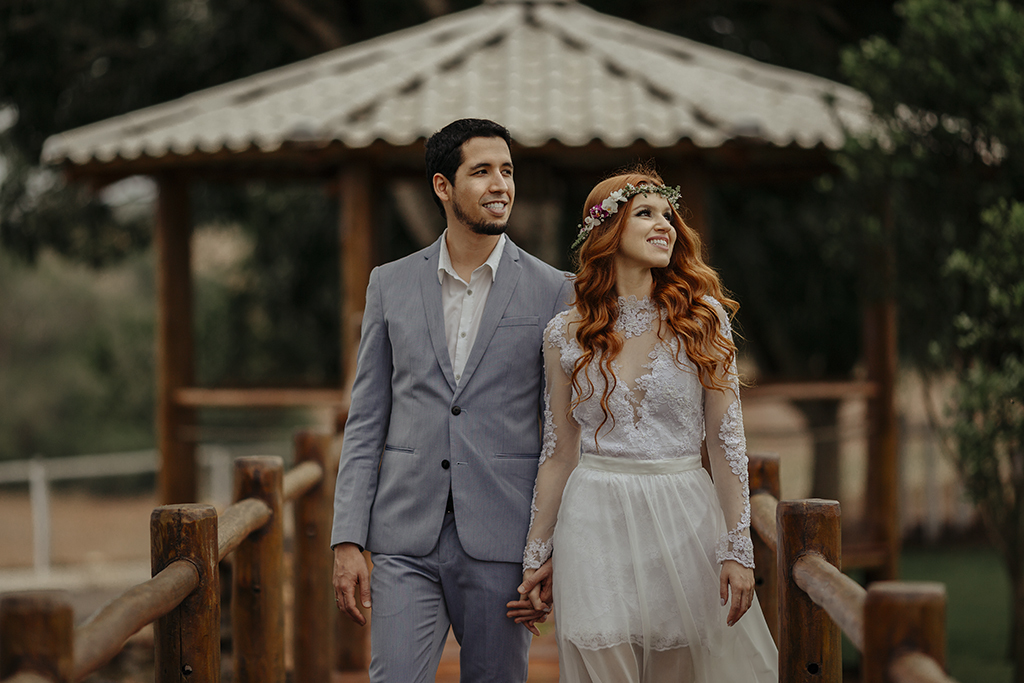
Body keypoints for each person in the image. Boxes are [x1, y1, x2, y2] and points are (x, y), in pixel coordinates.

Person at [508, 168, 778, 681]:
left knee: (675, 665)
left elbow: (726, 446)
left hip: (682, 520)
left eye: (668, 215)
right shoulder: (564, 333)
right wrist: (537, 553)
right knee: (596, 654)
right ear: (606, 233)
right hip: (592, 518)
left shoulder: (703, 319)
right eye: (646, 214)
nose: (665, 226)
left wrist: (738, 549)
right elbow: (559, 453)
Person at [331, 118, 572, 683]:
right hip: (402, 538)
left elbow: (562, 433)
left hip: (503, 538)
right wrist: (347, 537)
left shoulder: (553, 289)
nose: (501, 185)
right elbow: (366, 420)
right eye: (482, 171)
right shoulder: (388, 284)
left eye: (507, 172)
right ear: (443, 186)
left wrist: (550, 547)